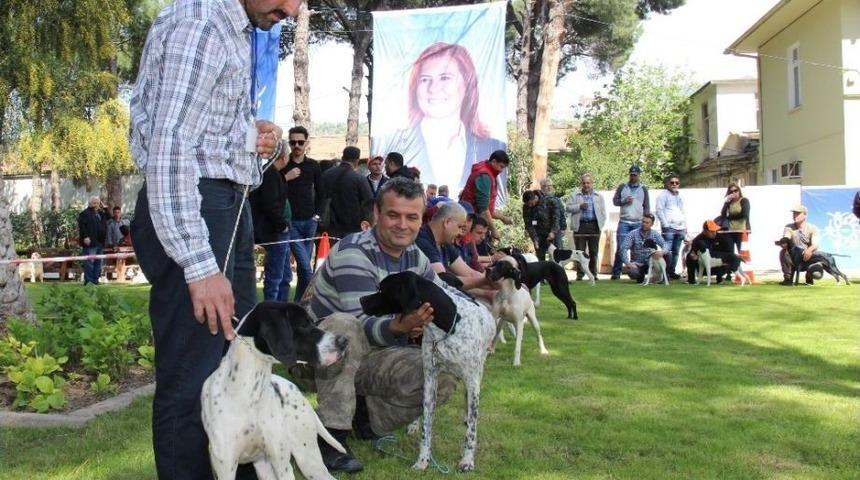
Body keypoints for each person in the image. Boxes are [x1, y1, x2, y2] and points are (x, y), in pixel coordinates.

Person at [128, 0, 296, 478]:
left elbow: (202, 135)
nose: (293, 9)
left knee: (236, 368)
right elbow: (169, 148)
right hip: (196, 209)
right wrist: (199, 266)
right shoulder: (200, 23)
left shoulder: (233, 25)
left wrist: (254, 138)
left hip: (225, 203)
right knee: (192, 378)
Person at [307, 178, 470, 473]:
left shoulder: (415, 257)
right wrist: (401, 325)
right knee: (345, 326)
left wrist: (478, 328)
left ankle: (364, 418)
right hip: (318, 356)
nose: (403, 225)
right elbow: (360, 322)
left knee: (442, 375)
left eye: (412, 217)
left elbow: (446, 300)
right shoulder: (353, 252)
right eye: (393, 215)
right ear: (376, 214)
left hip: (372, 354)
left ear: (422, 220)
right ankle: (330, 437)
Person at [372, 42, 505, 189]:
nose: (433, 88)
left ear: (467, 82)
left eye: (445, 78)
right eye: (425, 79)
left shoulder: (490, 145)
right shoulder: (390, 140)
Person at [284, 125, 324, 302]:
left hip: (310, 221)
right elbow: (271, 189)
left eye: (300, 142)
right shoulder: (283, 165)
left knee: (303, 268)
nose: (297, 145)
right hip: (291, 222)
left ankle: (298, 304)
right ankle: (308, 302)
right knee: (306, 267)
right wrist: (285, 177)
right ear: (289, 143)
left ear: (306, 142)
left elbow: (322, 192)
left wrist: (317, 215)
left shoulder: (313, 166)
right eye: (293, 142)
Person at [250, 146, 292, 302]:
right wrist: (282, 225)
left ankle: (282, 305)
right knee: (275, 274)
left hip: (277, 230)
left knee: (284, 274)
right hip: (274, 231)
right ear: (283, 156)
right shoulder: (270, 175)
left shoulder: (273, 174)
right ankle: (272, 308)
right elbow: (270, 204)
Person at [322, 146, 374, 241]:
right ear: (357, 160)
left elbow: (320, 196)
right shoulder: (359, 178)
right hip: (353, 226)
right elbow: (369, 201)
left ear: (342, 158)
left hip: (331, 224)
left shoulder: (327, 174)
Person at [459, 149, 513, 240]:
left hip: (473, 217)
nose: (501, 170)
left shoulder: (489, 174)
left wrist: (502, 218)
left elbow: (488, 208)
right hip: (471, 221)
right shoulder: (484, 176)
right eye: (501, 166)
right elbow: (483, 209)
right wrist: (494, 230)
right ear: (494, 161)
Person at [611, 165, 650, 280]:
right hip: (624, 221)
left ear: (639, 175)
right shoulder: (623, 187)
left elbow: (646, 206)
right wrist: (624, 201)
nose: (633, 176)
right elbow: (615, 201)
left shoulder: (643, 189)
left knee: (637, 248)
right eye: (631, 174)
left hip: (638, 222)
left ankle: (635, 272)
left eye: (635, 175)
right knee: (621, 247)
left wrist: (646, 221)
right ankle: (616, 272)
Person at [566, 173, 606, 281]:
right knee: (579, 251)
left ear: (592, 183)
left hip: (594, 225)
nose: (586, 185)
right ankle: (580, 274)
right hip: (580, 225)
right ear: (581, 184)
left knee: (593, 251)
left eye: (588, 183)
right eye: (584, 183)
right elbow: (568, 208)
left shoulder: (598, 196)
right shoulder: (575, 195)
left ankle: (593, 273)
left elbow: (603, 212)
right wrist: (579, 206)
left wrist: (601, 224)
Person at [685, 220, 740, 284]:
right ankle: (691, 280)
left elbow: (730, 255)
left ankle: (720, 279)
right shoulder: (699, 239)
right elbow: (693, 252)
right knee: (689, 256)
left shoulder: (723, 238)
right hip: (705, 264)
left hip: (721, 264)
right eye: (711, 231)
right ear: (705, 231)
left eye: (715, 230)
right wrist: (694, 256)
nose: (714, 232)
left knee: (723, 259)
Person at [778, 204, 822, 285]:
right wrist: (784, 242)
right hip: (795, 258)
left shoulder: (813, 228)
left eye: (797, 213)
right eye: (794, 213)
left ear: (805, 215)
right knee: (783, 252)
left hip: (808, 258)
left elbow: (815, 244)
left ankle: (809, 276)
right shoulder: (789, 227)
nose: (794, 215)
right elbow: (786, 237)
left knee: (817, 274)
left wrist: (809, 250)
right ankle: (788, 278)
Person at [619, 213, 666, 283]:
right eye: (643, 222)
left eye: (647, 223)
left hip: (652, 263)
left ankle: (662, 277)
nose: (644, 224)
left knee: (669, 255)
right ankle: (641, 277)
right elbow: (623, 248)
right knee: (633, 272)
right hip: (637, 264)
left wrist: (662, 252)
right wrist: (628, 263)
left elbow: (665, 245)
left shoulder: (655, 234)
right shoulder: (632, 234)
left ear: (652, 224)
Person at [655, 174, 686, 280]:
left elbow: (682, 212)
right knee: (667, 251)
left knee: (676, 251)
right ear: (667, 184)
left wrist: (685, 226)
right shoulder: (663, 195)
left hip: (680, 227)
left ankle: (671, 271)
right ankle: (665, 272)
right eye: (672, 182)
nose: (674, 185)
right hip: (669, 228)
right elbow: (659, 210)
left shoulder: (680, 196)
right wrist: (665, 225)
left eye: (676, 183)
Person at [78, 196, 107, 285]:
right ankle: (89, 281)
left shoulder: (100, 213)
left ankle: (95, 280)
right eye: (94, 203)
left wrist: (104, 207)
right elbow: (82, 227)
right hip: (90, 242)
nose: (96, 205)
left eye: (98, 203)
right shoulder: (85, 213)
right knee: (89, 262)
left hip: (100, 242)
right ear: (89, 203)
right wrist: (85, 237)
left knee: (98, 262)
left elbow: (109, 217)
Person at [522, 190, 559, 262]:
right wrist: (535, 239)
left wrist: (553, 231)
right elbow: (528, 224)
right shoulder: (526, 207)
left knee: (552, 256)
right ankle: (543, 271)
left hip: (551, 233)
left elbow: (556, 218)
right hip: (538, 235)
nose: (530, 206)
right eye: (528, 204)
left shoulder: (549, 201)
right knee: (540, 258)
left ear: (534, 198)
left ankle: (553, 271)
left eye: (531, 203)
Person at [720, 182, 751, 254]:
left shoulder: (744, 200)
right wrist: (726, 202)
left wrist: (730, 217)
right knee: (730, 251)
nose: (733, 193)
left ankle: (740, 264)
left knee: (742, 251)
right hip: (730, 230)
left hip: (741, 230)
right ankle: (733, 264)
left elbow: (744, 214)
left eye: (735, 190)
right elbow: (723, 214)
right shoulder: (730, 203)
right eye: (731, 191)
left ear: (739, 191)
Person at [539, 178, 566, 248]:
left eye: (550, 186)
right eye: (546, 186)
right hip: (542, 231)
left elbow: (562, 214)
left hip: (557, 230)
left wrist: (563, 228)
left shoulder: (557, 200)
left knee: (558, 251)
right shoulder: (538, 201)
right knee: (543, 252)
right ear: (541, 187)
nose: (549, 188)